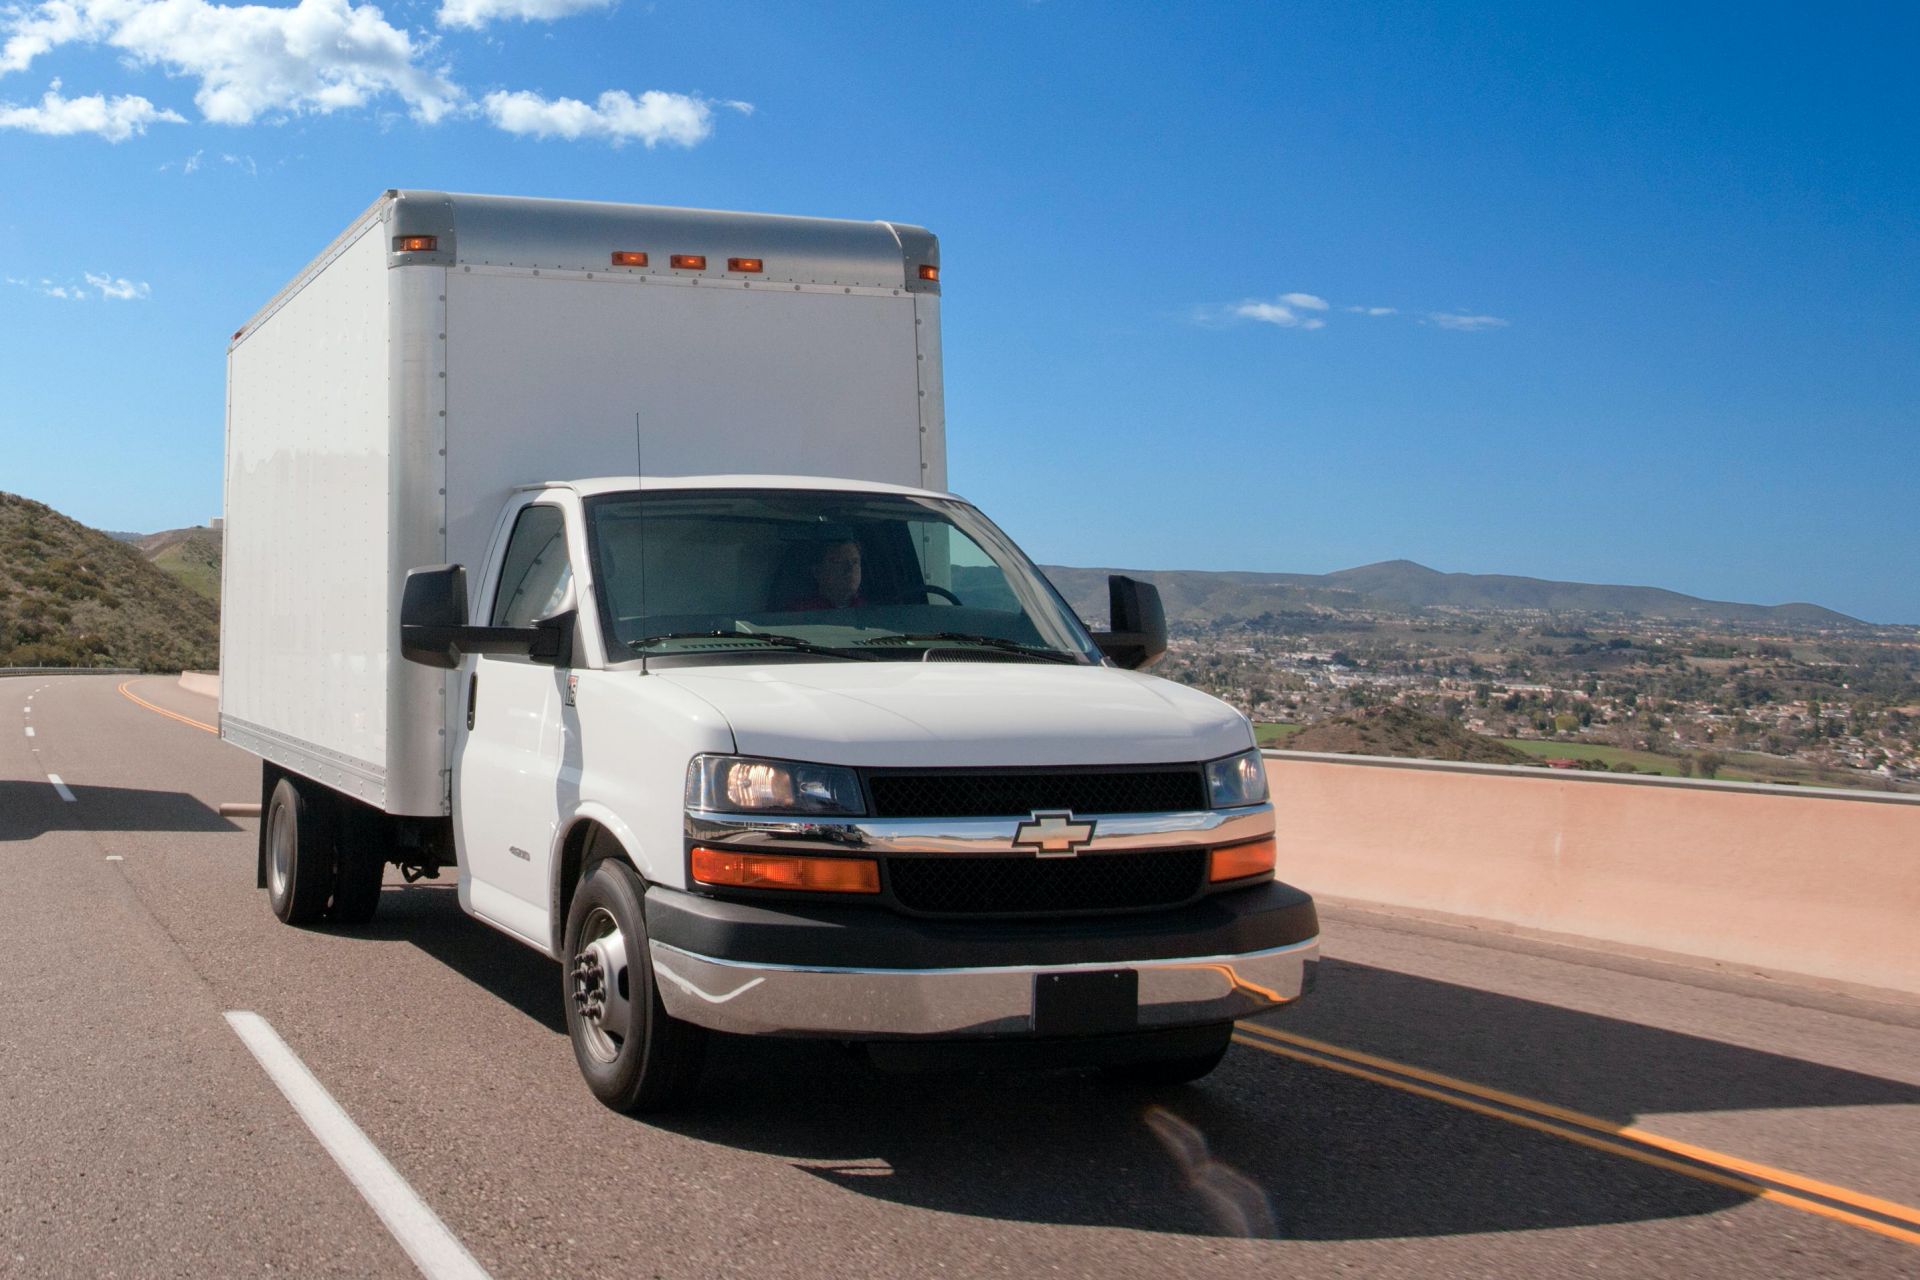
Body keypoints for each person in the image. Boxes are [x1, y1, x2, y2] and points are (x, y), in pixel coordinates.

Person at [783, 537, 865, 610]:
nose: (850, 569)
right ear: (817, 571)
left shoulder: (870, 612)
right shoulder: (797, 614)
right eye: (838, 562)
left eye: (855, 562)